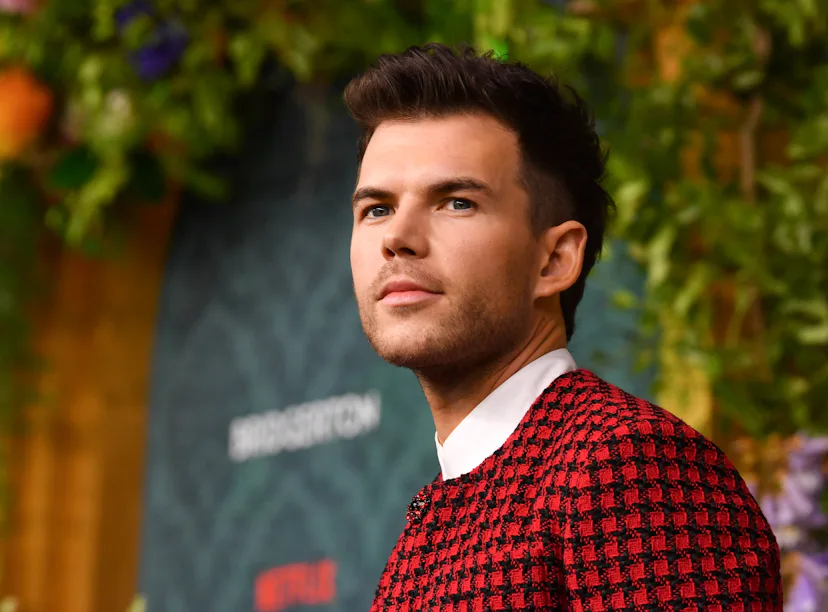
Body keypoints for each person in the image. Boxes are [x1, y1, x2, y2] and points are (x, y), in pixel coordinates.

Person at [345, 43, 782, 611]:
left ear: (554, 260)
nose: (395, 237)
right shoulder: (432, 523)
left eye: (455, 202)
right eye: (376, 208)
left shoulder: (625, 463)